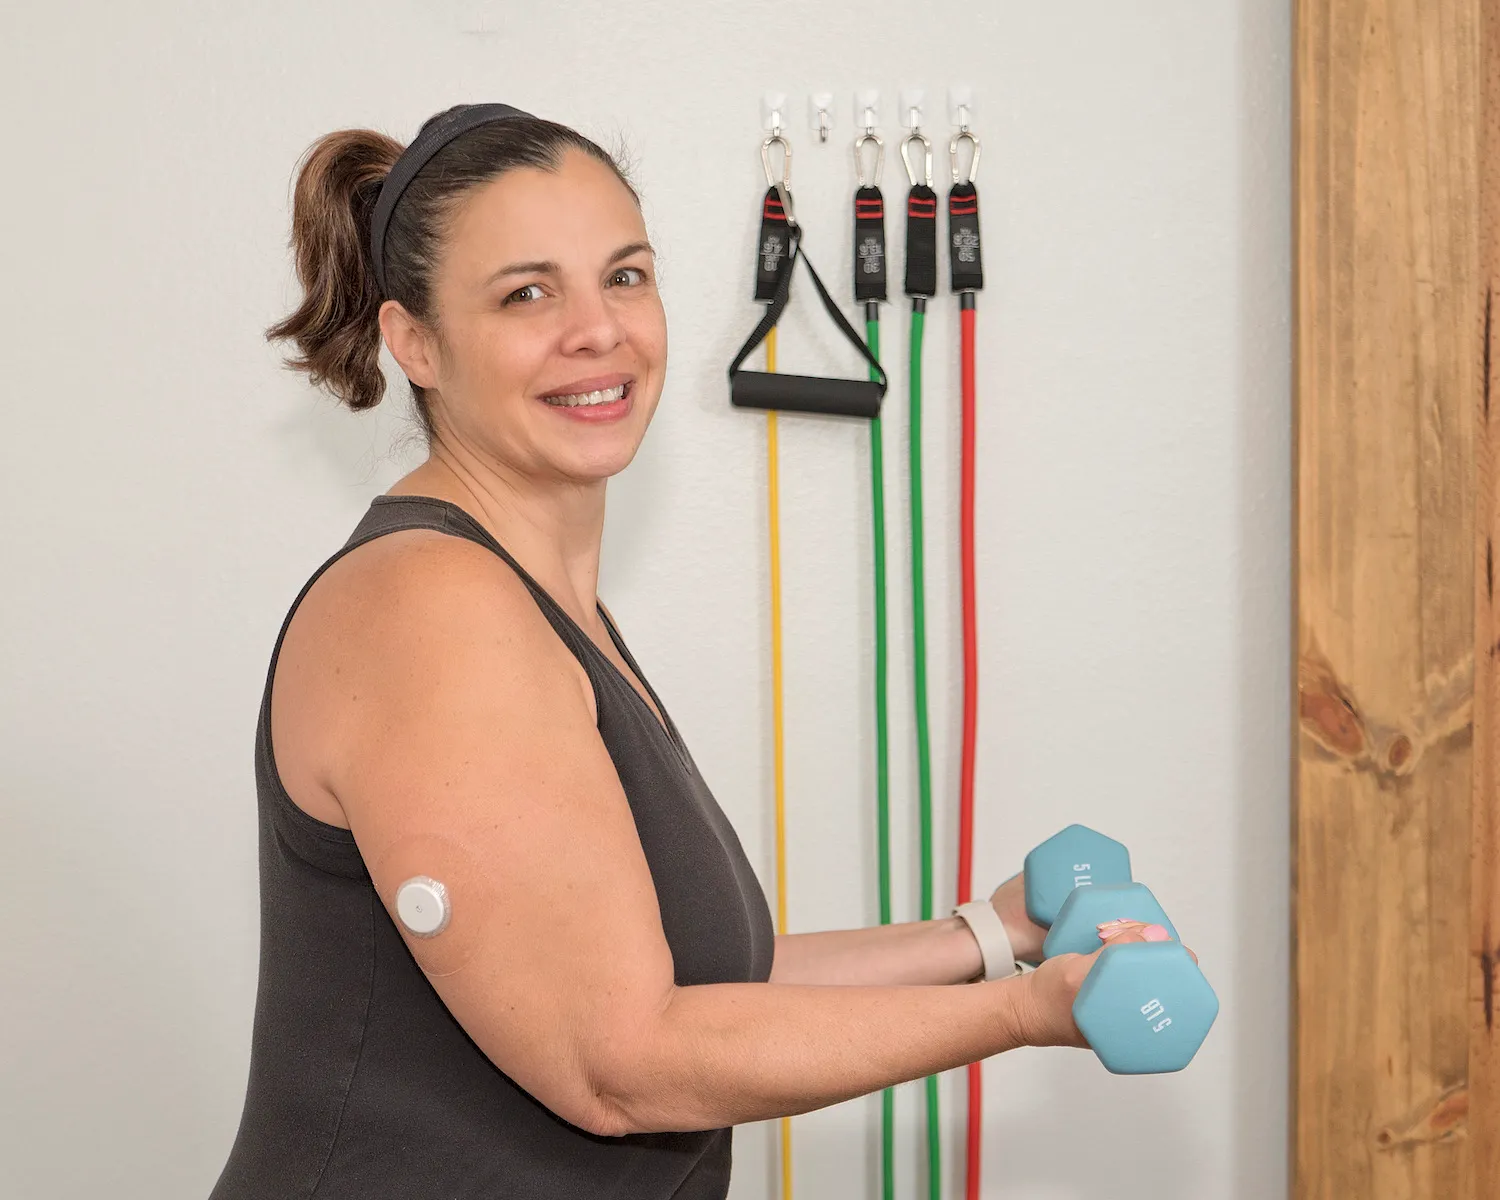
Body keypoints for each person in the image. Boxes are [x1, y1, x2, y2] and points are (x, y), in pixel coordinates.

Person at [210, 102, 1182, 1200]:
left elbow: (706, 980)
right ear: (414, 342)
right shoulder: (431, 609)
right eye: (527, 293)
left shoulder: (540, 602)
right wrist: (1026, 1012)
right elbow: (620, 1061)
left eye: (624, 275)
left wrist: (991, 934)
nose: (598, 329)